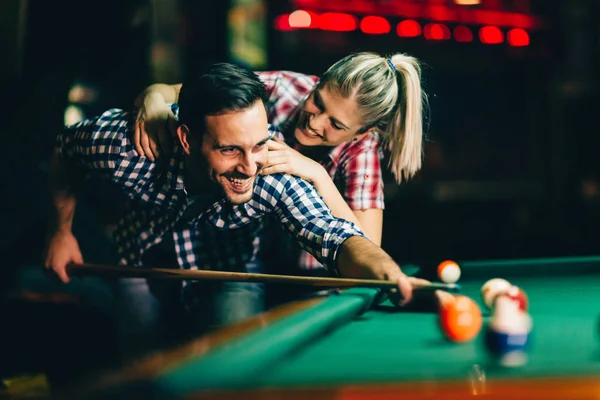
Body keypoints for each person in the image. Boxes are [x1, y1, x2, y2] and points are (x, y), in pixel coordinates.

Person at [44, 62, 423, 359]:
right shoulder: (126, 147)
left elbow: (341, 238)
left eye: (259, 144)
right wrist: (60, 232)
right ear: (187, 138)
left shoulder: (270, 170)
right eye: (229, 149)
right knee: (144, 375)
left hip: (233, 269)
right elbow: (65, 149)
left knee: (230, 372)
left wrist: (391, 276)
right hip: (139, 260)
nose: (248, 167)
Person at [132, 52, 426, 276]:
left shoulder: (363, 149)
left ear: (362, 133)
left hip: (310, 272)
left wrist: (317, 174)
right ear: (318, 81)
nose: (314, 122)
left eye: (335, 124)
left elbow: (367, 245)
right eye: (318, 102)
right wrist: (153, 100)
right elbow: (171, 92)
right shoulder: (284, 87)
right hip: (237, 254)